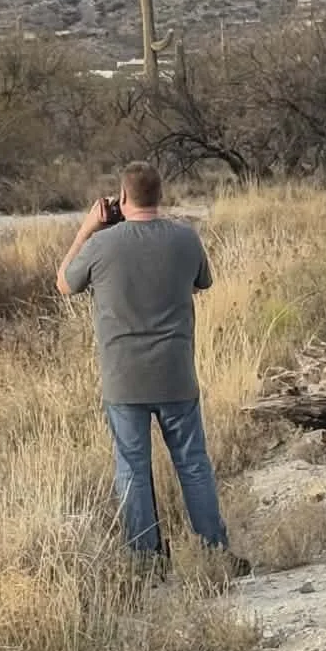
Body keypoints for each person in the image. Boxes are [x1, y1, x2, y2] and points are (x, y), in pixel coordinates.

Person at [56, 161, 248, 573]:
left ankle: (146, 560)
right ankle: (214, 551)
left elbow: (65, 284)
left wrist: (87, 229)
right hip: (176, 374)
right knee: (193, 463)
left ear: (122, 198)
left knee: (132, 468)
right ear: (160, 196)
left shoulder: (101, 246)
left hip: (124, 379)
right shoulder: (184, 239)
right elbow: (202, 283)